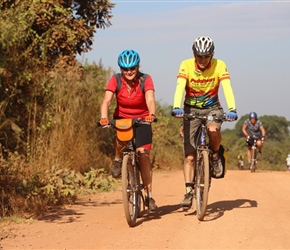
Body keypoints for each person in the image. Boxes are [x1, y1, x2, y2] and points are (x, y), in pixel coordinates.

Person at [171, 36, 238, 208]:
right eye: (199, 56)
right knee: (190, 157)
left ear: (212, 54)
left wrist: (232, 109)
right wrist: (176, 106)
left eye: (206, 56)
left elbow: (227, 87)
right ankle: (188, 192)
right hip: (190, 109)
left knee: (214, 129)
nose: (202, 60)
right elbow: (180, 86)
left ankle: (215, 155)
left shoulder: (219, 65)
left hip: (213, 108)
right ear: (194, 54)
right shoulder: (186, 65)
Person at [99, 49, 158, 211]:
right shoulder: (115, 80)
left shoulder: (146, 79)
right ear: (120, 69)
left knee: (143, 155)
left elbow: (150, 98)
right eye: (125, 69)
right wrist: (104, 117)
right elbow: (107, 100)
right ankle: (118, 160)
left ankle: (149, 196)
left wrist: (151, 114)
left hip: (142, 120)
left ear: (138, 67)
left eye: (132, 68)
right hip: (122, 118)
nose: (129, 72)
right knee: (121, 140)